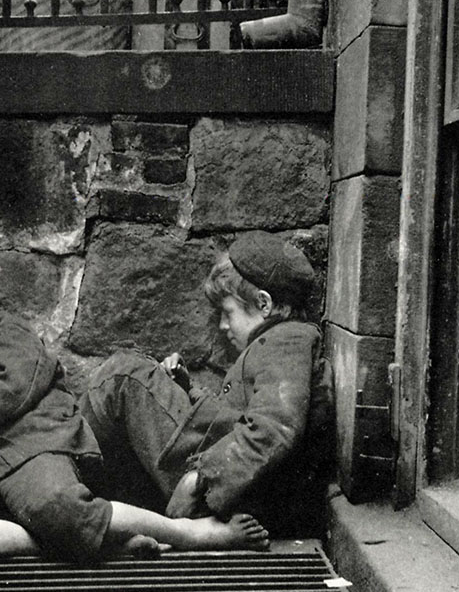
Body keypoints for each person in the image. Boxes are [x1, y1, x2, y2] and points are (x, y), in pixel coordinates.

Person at [0, 275, 272, 566]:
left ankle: (191, 533)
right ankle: (102, 541)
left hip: (32, 447)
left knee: (58, 506)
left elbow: (7, 387)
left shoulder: (4, 332)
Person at [80, 230, 333, 538]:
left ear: (264, 304)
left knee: (123, 377)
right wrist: (188, 389)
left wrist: (200, 478)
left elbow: (274, 428)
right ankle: (84, 503)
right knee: (133, 375)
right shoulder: (279, 343)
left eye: (227, 313)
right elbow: (238, 416)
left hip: (232, 495)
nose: (223, 326)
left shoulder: (287, 340)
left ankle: (69, 500)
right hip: (237, 488)